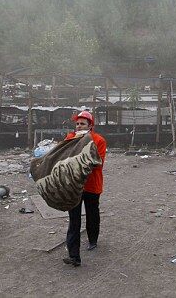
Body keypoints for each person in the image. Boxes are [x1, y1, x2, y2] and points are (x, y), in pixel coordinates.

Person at [63, 110, 106, 267]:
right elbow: (63, 157)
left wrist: (78, 161)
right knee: (74, 220)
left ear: (90, 126)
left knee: (92, 214)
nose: (79, 126)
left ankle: (93, 240)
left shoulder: (98, 140)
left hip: (92, 185)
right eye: (77, 123)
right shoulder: (70, 138)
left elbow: (98, 163)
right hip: (74, 186)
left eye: (82, 124)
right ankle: (74, 256)